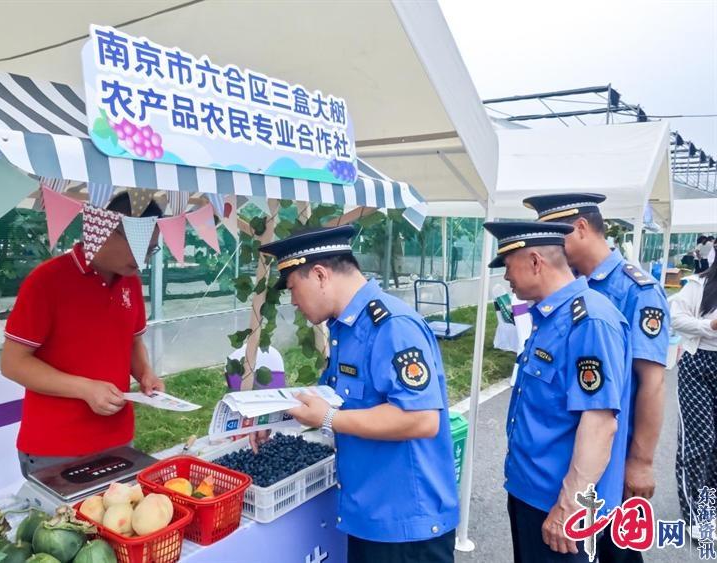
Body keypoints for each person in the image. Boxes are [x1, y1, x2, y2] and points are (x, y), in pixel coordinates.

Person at [260, 225, 458, 563]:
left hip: (405, 524)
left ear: (320, 275)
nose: (293, 301)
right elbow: (336, 398)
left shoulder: (392, 327)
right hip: (370, 513)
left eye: (294, 288)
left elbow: (422, 419)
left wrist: (328, 418)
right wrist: (274, 421)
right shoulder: (345, 328)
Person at [523, 193, 669, 563]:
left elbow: (651, 383)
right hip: (571, 450)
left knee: (617, 552)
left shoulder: (635, 291)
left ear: (582, 228)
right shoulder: (569, 286)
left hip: (615, 450)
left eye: (554, 236)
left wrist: (640, 461)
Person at [483, 221, 632, 562]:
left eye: (508, 266)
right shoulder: (550, 317)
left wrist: (569, 507)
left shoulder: (589, 320)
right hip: (529, 493)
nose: (505, 277)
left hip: (560, 506)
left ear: (536, 261)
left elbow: (599, 422)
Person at [1, 192, 164, 477]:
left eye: (151, 250)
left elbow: (133, 340)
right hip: (56, 447)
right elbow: (13, 363)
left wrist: (145, 374)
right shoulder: (47, 281)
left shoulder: (131, 283)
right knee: (63, 522)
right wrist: (84, 389)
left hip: (118, 438)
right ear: (105, 228)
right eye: (140, 247)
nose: (144, 259)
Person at [670, 258, 717, 537]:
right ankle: (693, 516)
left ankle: (710, 508)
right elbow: (675, 319)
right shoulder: (699, 285)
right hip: (698, 365)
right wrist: (709, 326)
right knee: (699, 440)